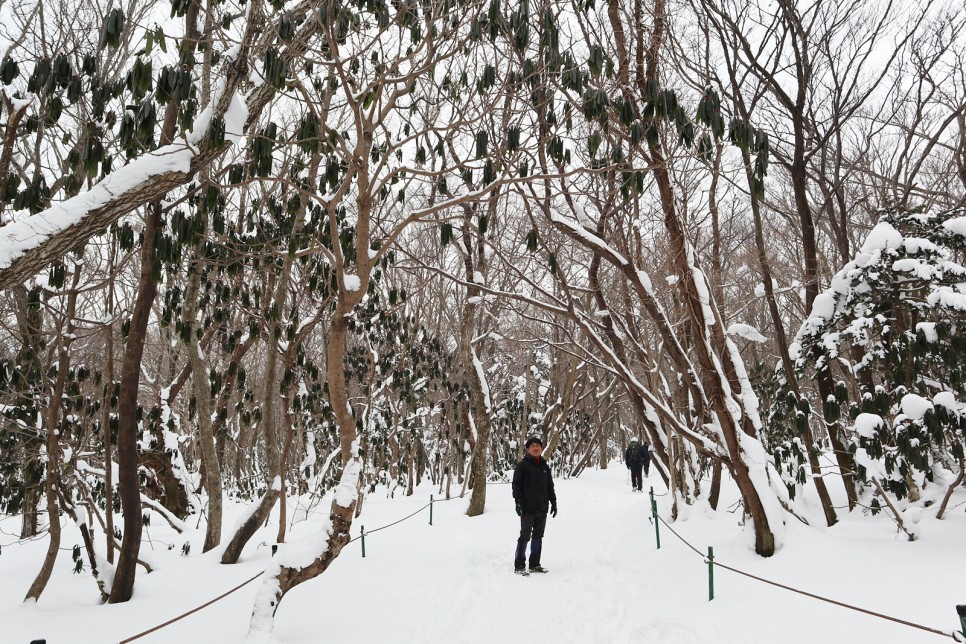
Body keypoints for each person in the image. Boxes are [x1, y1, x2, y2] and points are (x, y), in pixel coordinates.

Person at [512, 436, 557, 575]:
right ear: (527, 449)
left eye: (538, 445)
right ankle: (519, 565)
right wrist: (518, 502)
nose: (536, 448)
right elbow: (516, 485)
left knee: (538, 536)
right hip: (527, 508)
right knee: (525, 536)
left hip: (542, 508)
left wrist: (554, 502)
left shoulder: (545, 467)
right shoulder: (522, 466)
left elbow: (550, 486)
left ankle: (534, 564)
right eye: (532, 446)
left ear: (541, 448)